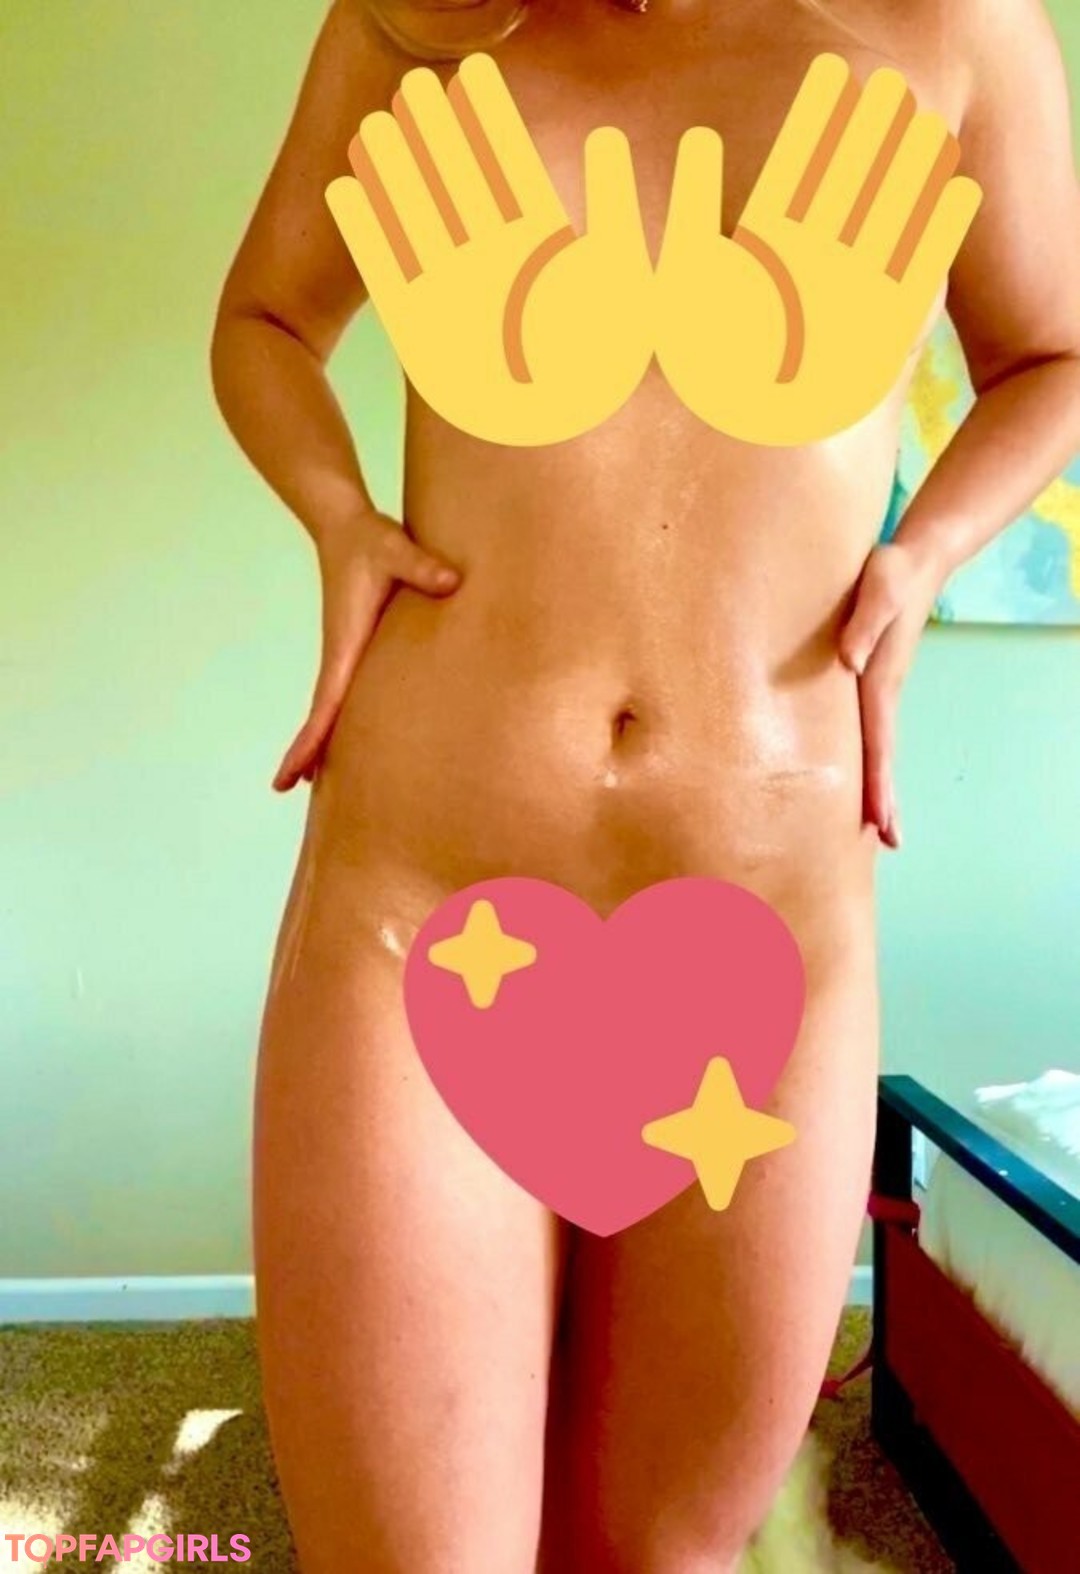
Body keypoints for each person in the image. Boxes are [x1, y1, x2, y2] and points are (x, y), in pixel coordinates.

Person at [209, 0, 1080, 1568]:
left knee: (658, 1549)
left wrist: (922, 553)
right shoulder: (415, 22)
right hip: (428, 904)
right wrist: (339, 516)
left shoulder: (961, 26)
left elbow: (1054, 356)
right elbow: (265, 318)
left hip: (768, 934)